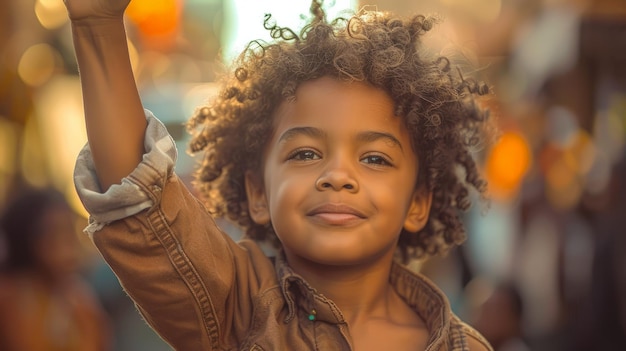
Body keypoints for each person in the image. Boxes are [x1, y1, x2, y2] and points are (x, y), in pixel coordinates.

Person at [64, 0, 494, 349]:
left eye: (375, 158)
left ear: (417, 202)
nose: (338, 175)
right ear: (258, 192)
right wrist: (96, 22)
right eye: (306, 153)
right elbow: (140, 202)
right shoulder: (236, 302)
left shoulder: (464, 346)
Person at [0, 188, 112, 351]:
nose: (68, 245)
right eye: (54, 232)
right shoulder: (8, 297)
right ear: (26, 236)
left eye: (70, 230)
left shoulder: (80, 300)